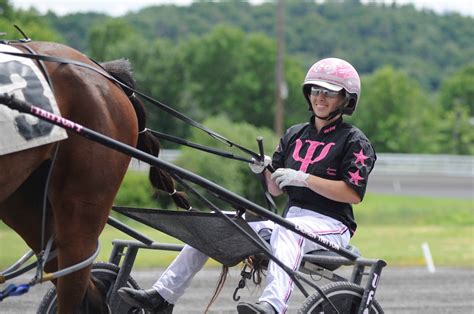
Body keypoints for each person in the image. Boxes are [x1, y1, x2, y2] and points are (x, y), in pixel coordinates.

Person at [118, 57, 376, 314]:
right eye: (315, 90)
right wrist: (265, 170)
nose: (320, 97)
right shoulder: (294, 134)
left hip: (332, 226)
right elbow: (275, 190)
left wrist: (304, 178)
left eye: (329, 92)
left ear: (346, 99)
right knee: (217, 220)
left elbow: (352, 194)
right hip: (291, 222)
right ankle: (163, 297)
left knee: (291, 230)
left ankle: (273, 306)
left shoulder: (354, 141)